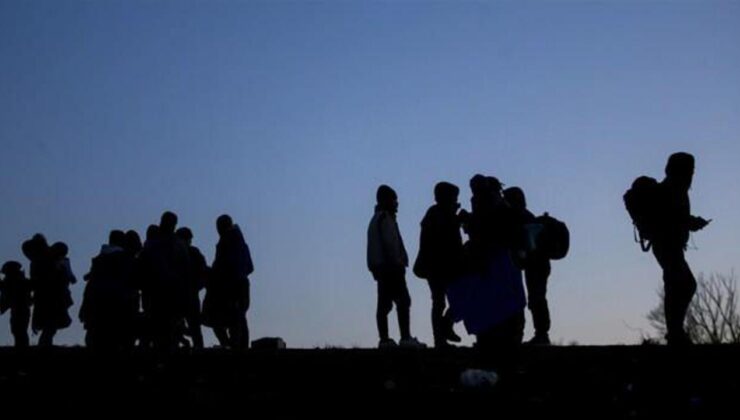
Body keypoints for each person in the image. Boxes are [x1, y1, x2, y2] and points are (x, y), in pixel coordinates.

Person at [652, 152, 710, 345]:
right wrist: (692, 222)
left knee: (677, 284)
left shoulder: (674, 188)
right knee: (683, 284)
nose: (692, 173)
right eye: (690, 169)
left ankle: (675, 331)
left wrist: (690, 223)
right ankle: (675, 332)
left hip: (669, 245)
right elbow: (671, 218)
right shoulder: (673, 189)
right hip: (666, 245)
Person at [367, 185, 425, 349]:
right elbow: (390, 244)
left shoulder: (377, 219)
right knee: (403, 301)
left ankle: (385, 339)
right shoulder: (385, 219)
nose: (397, 203)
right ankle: (404, 337)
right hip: (391, 267)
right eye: (394, 200)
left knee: (384, 304)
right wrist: (398, 261)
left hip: (382, 268)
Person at [414, 182, 464, 348]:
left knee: (455, 300)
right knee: (440, 302)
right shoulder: (437, 214)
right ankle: (440, 337)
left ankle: (444, 329)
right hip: (438, 267)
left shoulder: (440, 214)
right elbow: (444, 239)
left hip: (444, 267)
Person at [0, 261, 32, 347]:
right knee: (18, 330)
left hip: (20, 309)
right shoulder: (22, 281)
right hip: (21, 309)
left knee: (18, 330)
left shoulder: (17, 282)